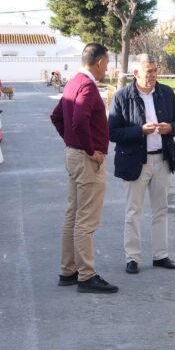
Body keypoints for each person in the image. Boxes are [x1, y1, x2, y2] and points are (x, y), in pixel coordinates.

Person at [50, 43, 117, 294]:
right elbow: (78, 120)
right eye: (107, 63)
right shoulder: (87, 86)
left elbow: (57, 117)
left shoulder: (72, 83)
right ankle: (86, 276)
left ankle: (68, 270)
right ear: (99, 62)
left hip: (74, 155)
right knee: (86, 220)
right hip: (86, 159)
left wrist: (72, 142)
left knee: (74, 214)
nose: (107, 68)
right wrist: (89, 150)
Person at [108, 55, 175, 275]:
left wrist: (170, 128)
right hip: (135, 161)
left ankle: (161, 255)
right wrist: (139, 131)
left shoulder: (166, 93)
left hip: (162, 159)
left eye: (154, 70)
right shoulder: (122, 96)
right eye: (148, 71)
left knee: (161, 209)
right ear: (136, 73)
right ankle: (132, 257)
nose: (152, 75)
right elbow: (112, 132)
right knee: (133, 211)